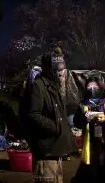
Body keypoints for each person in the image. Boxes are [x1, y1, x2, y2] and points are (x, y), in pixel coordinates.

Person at [22, 49, 78, 183]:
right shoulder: (38, 86)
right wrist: (56, 127)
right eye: (57, 72)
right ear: (49, 70)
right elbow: (33, 115)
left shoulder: (53, 86)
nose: (61, 75)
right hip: (45, 151)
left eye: (62, 71)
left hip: (55, 150)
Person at [73, 77, 105, 183]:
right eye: (89, 87)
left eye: (95, 87)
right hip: (92, 148)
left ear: (101, 88)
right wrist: (84, 118)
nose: (92, 89)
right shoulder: (82, 104)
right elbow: (76, 123)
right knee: (92, 177)